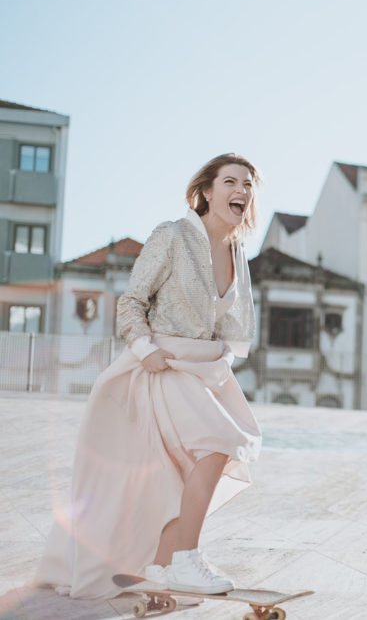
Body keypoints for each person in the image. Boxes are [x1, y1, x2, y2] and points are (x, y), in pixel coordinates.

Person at [36, 153, 263, 600]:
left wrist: (218, 357)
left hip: (200, 369)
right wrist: (146, 350)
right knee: (219, 444)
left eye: (249, 184)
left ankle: (161, 563)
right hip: (159, 364)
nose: (242, 191)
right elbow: (131, 301)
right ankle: (185, 561)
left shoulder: (237, 250)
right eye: (231, 181)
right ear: (207, 191)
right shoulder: (173, 236)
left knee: (190, 466)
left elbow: (226, 323)